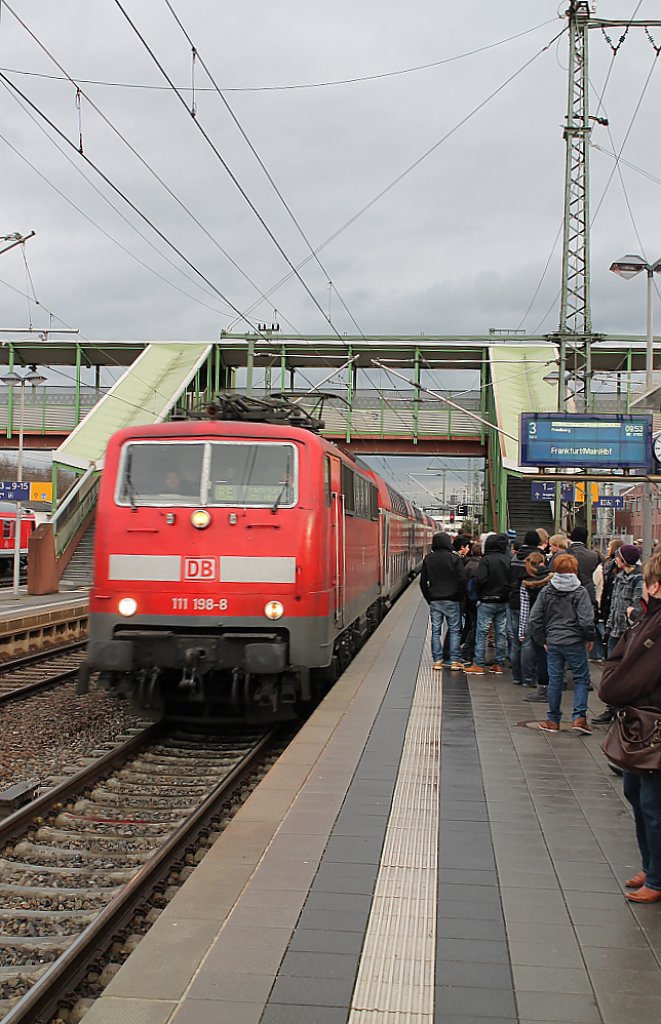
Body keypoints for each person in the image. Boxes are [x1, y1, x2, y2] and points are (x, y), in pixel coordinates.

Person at [599, 551, 661, 904]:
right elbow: (621, 658)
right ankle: (650, 866)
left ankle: (657, 877)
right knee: (636, 794)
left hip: (653, 725)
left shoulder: (654, 625)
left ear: (655, 585)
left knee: (653, 805)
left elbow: (621, 680)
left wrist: (613, 682)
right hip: (641, 724)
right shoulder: (646, 619)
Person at [529, 552, 595, 734]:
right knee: (581, 678)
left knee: (555, 680)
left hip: (554, 642)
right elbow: (586, 621)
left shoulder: (546, 591)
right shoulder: (580, 592)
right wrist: (589, 637)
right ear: (575, 570)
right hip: (575, 641)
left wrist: (542, 639)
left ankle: (552, 720)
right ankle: (579, 718)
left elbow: (534, 619)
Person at [465, 533, 511, 676]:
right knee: (500, 633)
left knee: (482, 632)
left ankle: (478, 664)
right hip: (503, 601)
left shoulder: (486, 559)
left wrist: (480, 592)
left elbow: (480, 579)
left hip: (487, 601)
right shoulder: (508, 559)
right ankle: (499, 664)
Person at [419, 532, 466, 671]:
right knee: (455, 630)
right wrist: (459, 596)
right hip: (452, 600)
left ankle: (437, 661)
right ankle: (454, 661)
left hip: (435, 600)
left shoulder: (428, 559)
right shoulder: (455, 559)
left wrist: (429, 598)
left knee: (435, 631)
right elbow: (462, 580)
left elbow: (423, 582)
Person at [508, 530, 542, 685]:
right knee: (527, 641)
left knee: (516, 641)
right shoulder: (537, 558)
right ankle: (528, 677)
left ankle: (516, 676)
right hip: (530, 602)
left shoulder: (514, 557)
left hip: (514, 601)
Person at [518, 550, 551, 697]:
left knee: (538, 655)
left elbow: (524, 609)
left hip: (535, 621)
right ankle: (554, 683)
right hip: (552, 622)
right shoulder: (552, 580)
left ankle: (533, 681)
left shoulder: (526, 583)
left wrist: (522, 630)